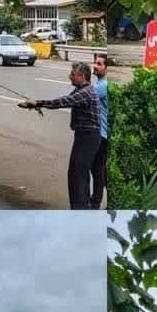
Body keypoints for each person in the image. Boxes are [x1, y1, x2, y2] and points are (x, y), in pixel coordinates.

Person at [18, 62, 101, 210]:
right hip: (86, 136)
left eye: (73, 74)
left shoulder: (85, 92)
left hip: (88, 137)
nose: (70, 76)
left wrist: (38, 102)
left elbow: (63, 102)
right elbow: (62, 100)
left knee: (77, 175)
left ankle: (80, 209)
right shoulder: (80, 90)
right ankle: (83, 207)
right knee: (80, 173)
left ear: (82, 76)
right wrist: (35, 105)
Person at [90, 54, 109, 209]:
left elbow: (83, 97)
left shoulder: (102, 86)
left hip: (102, 136)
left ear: (106, 68)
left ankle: (95, 202)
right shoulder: (102, 83)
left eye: (99, 64)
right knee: (101, 168)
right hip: (104, 134)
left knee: (97, 169)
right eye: (95, 63)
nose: (95, 66)